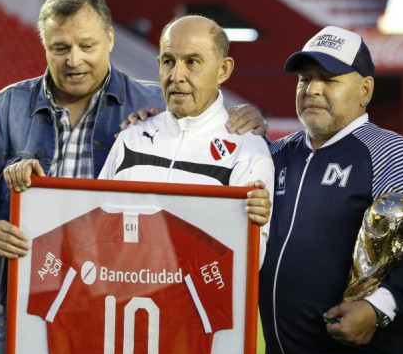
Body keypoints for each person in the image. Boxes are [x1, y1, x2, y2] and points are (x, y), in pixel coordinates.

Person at [0, 0, 264, 354]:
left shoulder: (152, 106)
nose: (73, 59)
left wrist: (241, 117)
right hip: (22, 307)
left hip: (115, 303)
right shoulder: (5, 107)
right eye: (60, 47)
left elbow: (200, 111)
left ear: (110, 39)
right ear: (44, 44)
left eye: (86, 45)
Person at [259, 26, 403, 354]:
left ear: (365, 90)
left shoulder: (389, 152)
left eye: (329, 79)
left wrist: (378, 308)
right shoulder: (277, 153)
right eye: (304, 79)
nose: (312, 89)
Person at [99, 15, 274, 253]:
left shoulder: (250, 151)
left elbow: (252, 261)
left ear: (223, 70)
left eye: (192, 62)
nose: (176, 75)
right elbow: (96, 227)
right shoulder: (131, 137)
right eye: (169, 61)